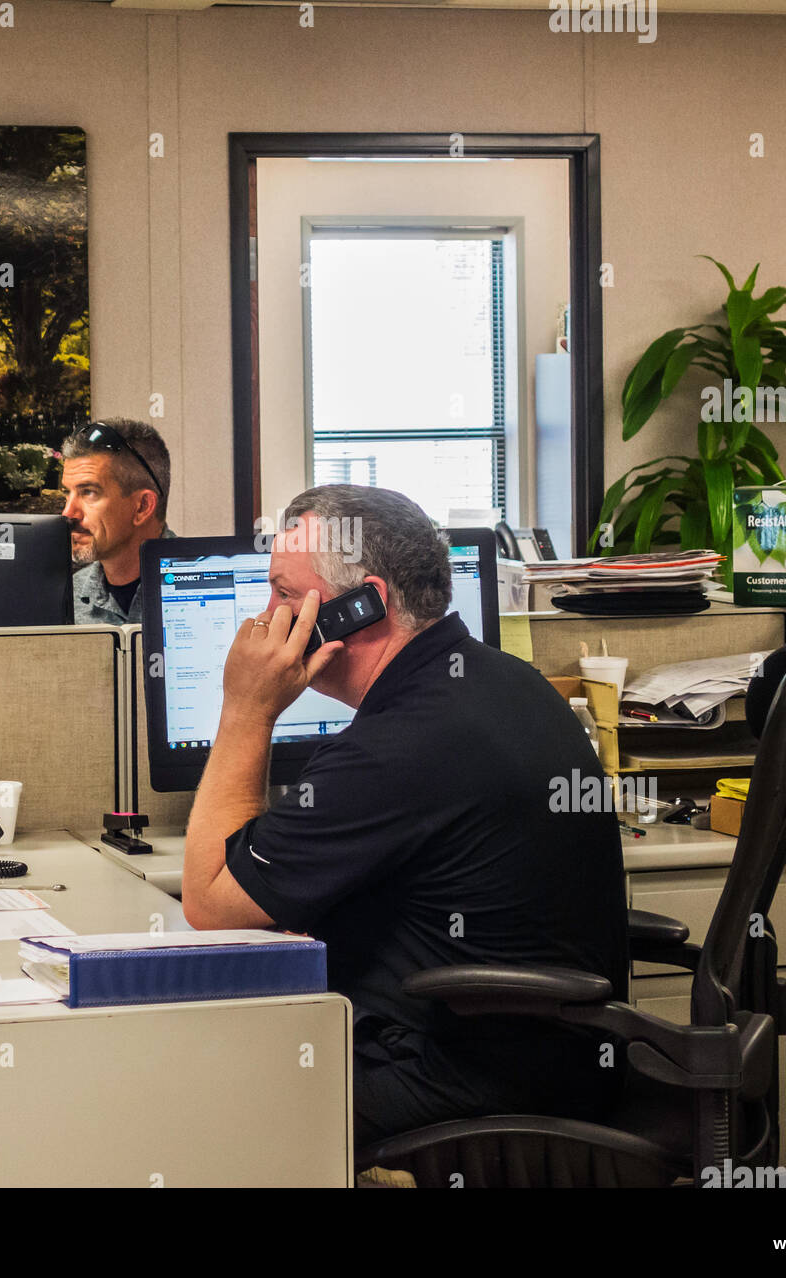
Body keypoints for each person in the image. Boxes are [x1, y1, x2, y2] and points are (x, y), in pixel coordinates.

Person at [181, 484, 630, 1148]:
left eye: (282, 593)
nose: (265, 617)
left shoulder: (400, 745)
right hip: (550, 1059)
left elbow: (211, 901)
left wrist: (246, 707)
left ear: (362, 607)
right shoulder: (503, 680)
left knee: (198, 1114)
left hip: (472, 1078)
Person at [59, 418, 173, 625]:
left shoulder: (215, 582)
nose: (68, 513)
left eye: (89, 492)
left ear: (142, 507)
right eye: (68, 493)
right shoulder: (65, 598)